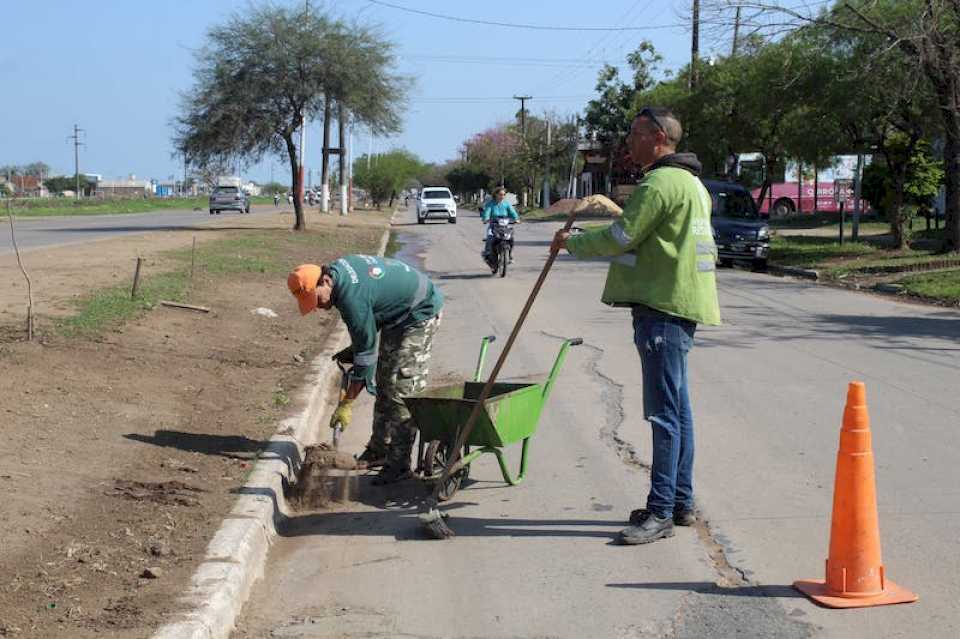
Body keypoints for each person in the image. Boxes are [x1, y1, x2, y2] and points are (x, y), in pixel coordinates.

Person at [552, 107, 720, 545]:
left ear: (660, 137)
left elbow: (621, 237)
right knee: (678, 411)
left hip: (662, 309)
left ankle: (661, 511)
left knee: (664, 415)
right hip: (680, 306)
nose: (629, 142)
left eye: (635, 134)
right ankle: (679, 502)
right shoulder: (692, 185)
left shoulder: (660, 183)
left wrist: (572, 244)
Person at [287, 255, 444, 484]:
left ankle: (400, 465)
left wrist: (347, 402)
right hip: (397, 314)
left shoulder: (351, 298)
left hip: (420, 311)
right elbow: (367, 331)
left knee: (400, 388)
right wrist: (357, 348)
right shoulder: (339, 276)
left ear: (325, 282)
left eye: (316, 299)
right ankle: (380, 449)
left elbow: (366, 355)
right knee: (384, 383)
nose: (318, 307)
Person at [481, 186, 519, 261]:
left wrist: (516, 219)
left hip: (504, 226)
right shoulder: (490, 204)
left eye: (504, 195)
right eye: (500, 194)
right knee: (489, 238)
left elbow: (512, 212)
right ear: (496, 195)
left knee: (511, 238)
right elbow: (487, 212)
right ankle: (488, 253)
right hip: (494, 225)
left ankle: (510, 255)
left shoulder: (506, 204)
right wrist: (486, 219)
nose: (502, 196)